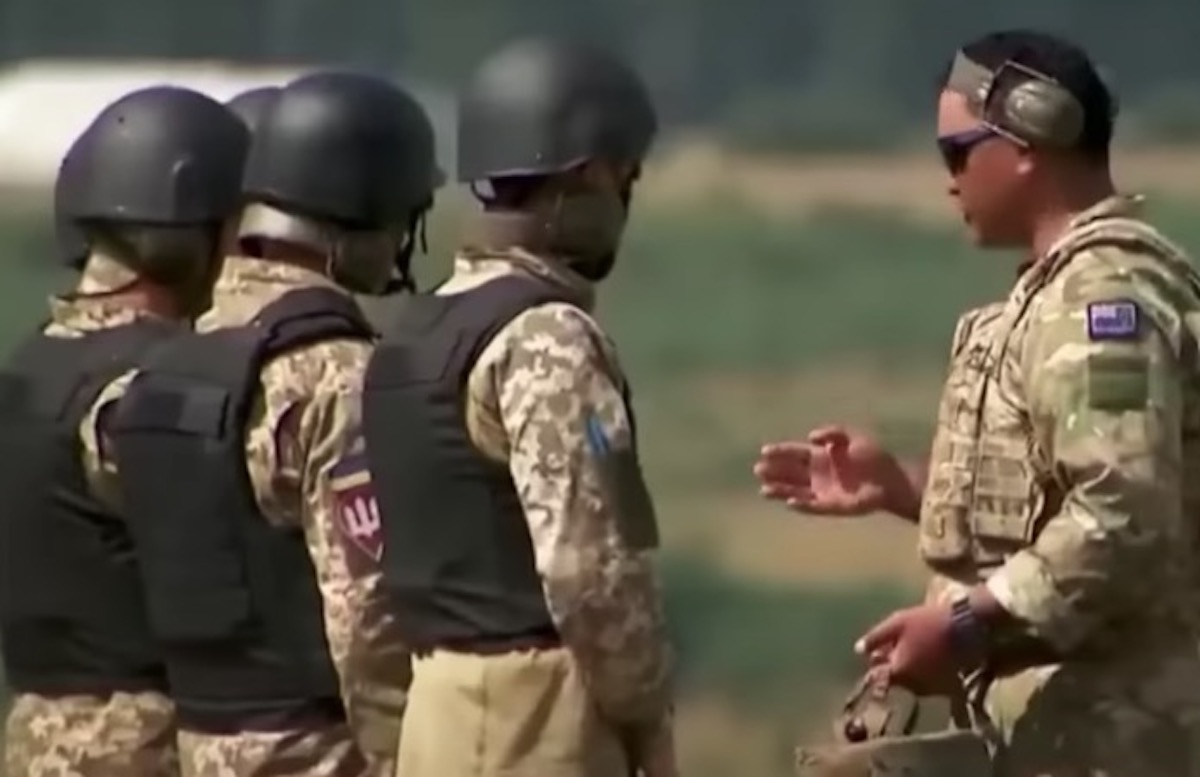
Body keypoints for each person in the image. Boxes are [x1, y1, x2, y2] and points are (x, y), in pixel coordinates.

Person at [755, 29, 1200, 776]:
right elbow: (1068, 499)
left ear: (1030, 140)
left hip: (1119, 740)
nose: (949, 181)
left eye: (957, 152)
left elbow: (1121, 514)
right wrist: (907, 488)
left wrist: (964, 626)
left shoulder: (1101, 300)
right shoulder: (1064, 293)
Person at [95, 70, 441, 776]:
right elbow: (367, 617)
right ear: (363, 220)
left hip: (198, 746)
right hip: (319, 752)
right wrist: (404, 756)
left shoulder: (150, 376)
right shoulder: (339, 377)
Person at [362, 36, 677, 777]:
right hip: (534, 720)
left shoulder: (410, 333)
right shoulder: (546, 336)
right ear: (589, 174)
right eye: (625, 179)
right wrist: (645, 705)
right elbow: (587, 570)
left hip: (433, 711)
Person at [0, 86, 248, 777]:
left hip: (34, 733)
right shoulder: (153, 384)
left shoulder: (29, 365)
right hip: (143, 741)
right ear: (197, 236)